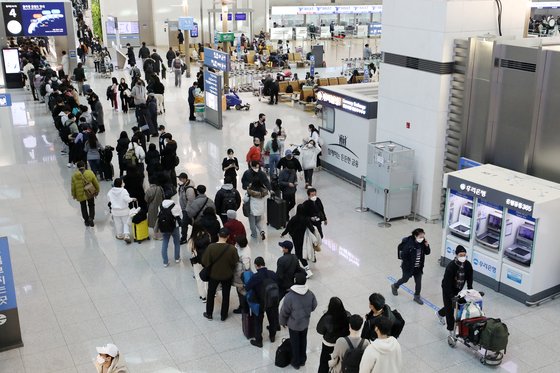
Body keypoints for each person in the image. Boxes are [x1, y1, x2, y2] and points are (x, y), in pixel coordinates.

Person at [279, 272, 317, 370]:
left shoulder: (290, 296)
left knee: (294, 343)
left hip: (294, 325)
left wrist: (282, 322)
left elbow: (284, 311)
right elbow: (314, 306)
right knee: (303, 340)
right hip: (305, 323)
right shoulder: (310, 293)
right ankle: (303, 359)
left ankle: (296, 362)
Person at [202, 228, 239, 321]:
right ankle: (223, 315)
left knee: (211, 294)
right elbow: (235, 262)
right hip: (227, 275)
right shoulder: (232, 249)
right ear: (228, 236)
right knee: (226, 295)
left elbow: (205, 261)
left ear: (218, 235)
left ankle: (209, 313)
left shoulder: (211, 247)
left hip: (213, 275)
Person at [437, 245, 474, 335]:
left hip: (458, 289)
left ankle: (440, 313)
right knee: (450, 310)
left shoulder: (468, 265)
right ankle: (451, 330)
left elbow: (469, 278)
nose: (463, 257)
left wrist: (470, 290)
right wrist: (451, 296)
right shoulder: (451, 266)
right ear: (456, 255)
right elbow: (447, 283)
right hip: (447, 289)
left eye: (464, 255)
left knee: (453, 306)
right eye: (461, 255)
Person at [245, 257, 280, 347]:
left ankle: (259, 341)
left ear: (256, 265)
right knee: (272, 319)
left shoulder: (255, 277)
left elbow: (247, 287)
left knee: (258, 321)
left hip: (260, 302)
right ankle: (272, 336)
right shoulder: (272, 273)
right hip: (272, 301)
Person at [391, 228, 431, 305]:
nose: (422, 238)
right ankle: (395, 286)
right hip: (408, 268)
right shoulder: (409, 244)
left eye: (423, 236)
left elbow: (427, 252)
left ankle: (417, 296)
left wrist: (427, 246)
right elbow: (403, 255)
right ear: (415, 236)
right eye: (420, 237)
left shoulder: (423, 243)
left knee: (418, 282)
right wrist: (409, 264)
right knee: (405, 279)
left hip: (418, 268)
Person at [317, 297, 351, 373]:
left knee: (324, 362)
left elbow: (319, 330)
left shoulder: (327, 318)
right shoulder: (347, 315)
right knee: (338, 362)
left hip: (328, 344)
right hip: (342, 343)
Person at [282, 205, 315, 278]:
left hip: (296, 238)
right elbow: (311, 228)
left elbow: (288, 227)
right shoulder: (306, 219)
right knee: (301, 253)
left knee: (299, 254)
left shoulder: (294, 218)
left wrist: (283, 233)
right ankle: (297, 267)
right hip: (304, 239)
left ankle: (307, 270)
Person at [71, 161, 100, 227]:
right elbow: (95, 182)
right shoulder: (90, 173)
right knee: (91, 205)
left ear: (77, 167)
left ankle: (86, 220)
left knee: (83, 206)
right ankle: (91, 218)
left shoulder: (74, 176)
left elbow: (73, 187)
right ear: (84, 166)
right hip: (90, 192)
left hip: (80, 194)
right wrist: (97, 190)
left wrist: (74, 195)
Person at [107, 178, 135, 243]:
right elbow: (127, 199)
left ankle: (119, 235)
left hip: (115, 211)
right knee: (126, 223)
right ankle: (126, 235)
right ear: (121, 184)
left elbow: (109, 200)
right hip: (124, 210)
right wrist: (132, 199)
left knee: (117, 223)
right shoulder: (124, 191)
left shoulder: (110, 191)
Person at [189, 222, 211, 302]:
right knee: (209, 277)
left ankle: (203, 296)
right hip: (207, 259)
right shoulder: (207, 235)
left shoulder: (192, 239)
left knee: (199, 278)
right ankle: (211, 293)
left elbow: (191, 251)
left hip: (197, 261)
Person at [159, 198, 182, 267]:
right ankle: (177, 258)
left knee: (165, 243)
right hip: (174, 227)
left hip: (164, 227)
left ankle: (165, 262)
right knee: (177, 242)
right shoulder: (175, 206)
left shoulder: (160, 206)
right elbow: (180, 216)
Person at [232, 235, 252, 314]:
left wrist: (237, 261)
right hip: (240, 274)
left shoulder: (245, 254)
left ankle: (243, 307)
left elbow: (246, 267)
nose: (236, 243)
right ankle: (243, 306)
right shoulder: (243, 247)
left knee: (241, 292)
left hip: (242, 276)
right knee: (240, 291)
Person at [177, 172, 196, 244]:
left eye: (180, 178)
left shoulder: (189, 189)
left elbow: (191, 201)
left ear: (185, 179)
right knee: (189, 223)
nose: (179, 179)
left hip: (187, 210)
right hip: (184, 209)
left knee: (184, 224)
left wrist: (186, 211)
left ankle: (184, 238)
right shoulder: (183, 186)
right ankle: (192, 236)